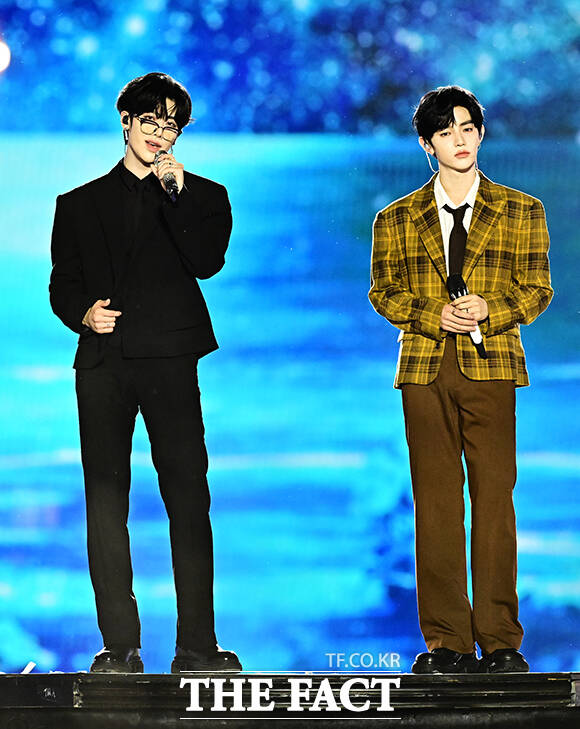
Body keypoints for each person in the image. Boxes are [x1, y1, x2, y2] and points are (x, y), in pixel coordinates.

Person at [49, 72, 241, 674]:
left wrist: (176, 194)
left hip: (170, 360)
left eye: (172, 125)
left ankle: (197, 647)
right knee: (106, 502)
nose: (161, 134)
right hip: (103, 365)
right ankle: (120, 647)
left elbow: (206, 263)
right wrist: (83, 313)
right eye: (151, 121)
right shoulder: (78, 203)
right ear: (126, 122)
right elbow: (62, 283)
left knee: (188, 497)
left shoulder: (205, 195)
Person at [369, 86, 552, 674]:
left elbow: (538, 289)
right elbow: (383, 293)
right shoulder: (395, 218)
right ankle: (447, 643)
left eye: (468, 128)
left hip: (492, 364)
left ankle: (500, 641)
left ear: (481, 133)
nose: (460, 140)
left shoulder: (522, 210)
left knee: (495, 500)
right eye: (446, 132)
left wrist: (489, 309)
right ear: (428, 145)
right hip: (424, 367)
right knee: (436, 504)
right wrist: (434, 315)